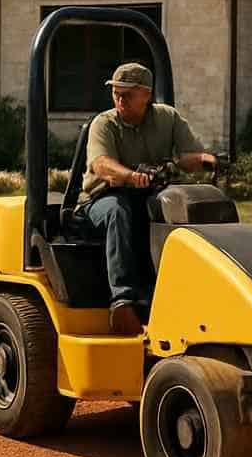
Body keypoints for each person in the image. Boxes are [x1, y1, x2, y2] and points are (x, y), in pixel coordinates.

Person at [78, 62, 215, 335]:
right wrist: (130, 176)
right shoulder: (103, 123)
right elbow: (101, 164)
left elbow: (186, 157)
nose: (120, 99)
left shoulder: (167, 118)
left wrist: (204, 159)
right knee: (118, 211)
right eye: (116, 93)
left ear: (147, 94)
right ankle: (123, 300)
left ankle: (186, 292)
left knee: (184, 209)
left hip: (147, 195)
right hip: (102, 197)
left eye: (127, 94)